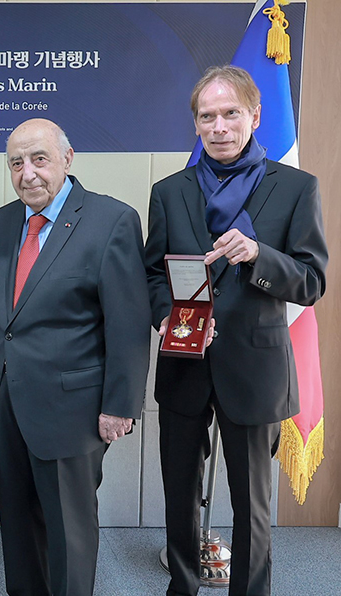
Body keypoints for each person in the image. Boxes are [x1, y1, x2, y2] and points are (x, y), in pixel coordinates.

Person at [0, 118, 151, 596]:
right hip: (6, 407)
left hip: (71, 411)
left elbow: (128, 322)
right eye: (17, 163)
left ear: (67, 159)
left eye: (40, 159)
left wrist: (121, 405)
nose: (28, 173)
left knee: (69, 536)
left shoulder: (110, 220)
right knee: (18, 531)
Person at [145, 65, 328, 596]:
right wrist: (165, 317)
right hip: (184, 362)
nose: (219, 126)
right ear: (196, 124)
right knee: (179, 494)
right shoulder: (169, 190)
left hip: (255, 366)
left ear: (255, 115)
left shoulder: (295, 187)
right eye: (207, 116)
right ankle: (182, 585)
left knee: (252, 503)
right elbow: (154, 271)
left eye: (230, 114)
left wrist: (259, 255)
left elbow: (311, 282)